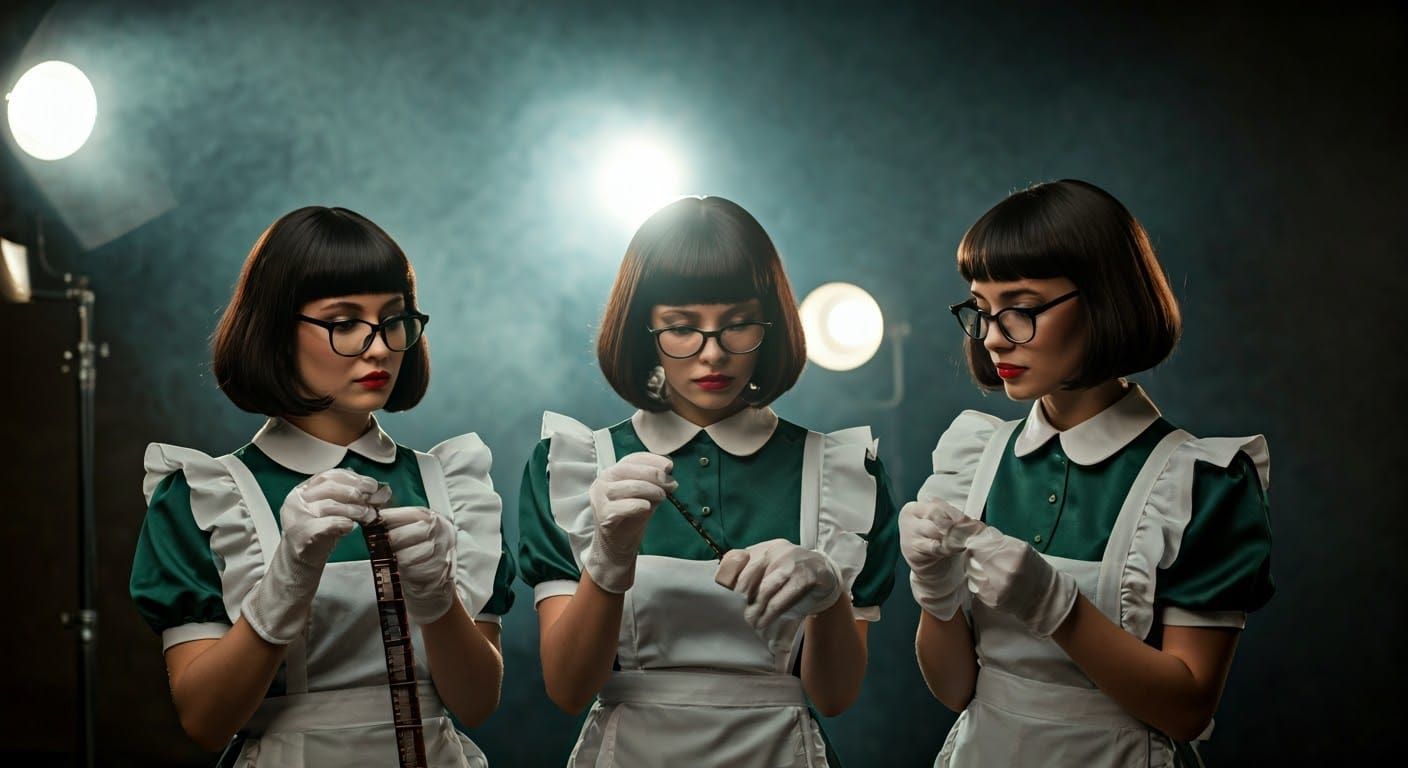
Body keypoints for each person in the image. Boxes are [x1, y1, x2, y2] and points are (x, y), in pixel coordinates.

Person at [517, 196, 900, 767]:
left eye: (738, 324)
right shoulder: (574, 464)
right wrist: (608, 558)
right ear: (643, 329)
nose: (713, 354)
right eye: (681, 328)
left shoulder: (843, 469)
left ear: (769, 326)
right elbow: (569, 689)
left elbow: (835, 697)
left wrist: (830, 599)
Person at [902, 179, 1274, 766]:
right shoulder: (973, 458)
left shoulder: (1201, 481)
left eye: (1021, 310)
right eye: (982, 309)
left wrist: (1059, 607)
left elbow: (1188, 710)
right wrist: (934, 594)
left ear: (1105, 298)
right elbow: (955, 691)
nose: (995, 337)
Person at [129, 206, 515, 766]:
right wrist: (286, 581)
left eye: (393, 319)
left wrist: (438, 602)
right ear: (276, 330)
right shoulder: (205, 495)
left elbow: (477, 704)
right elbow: (206, 721)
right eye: (343, 322)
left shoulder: (452, 484)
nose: (379, 346)